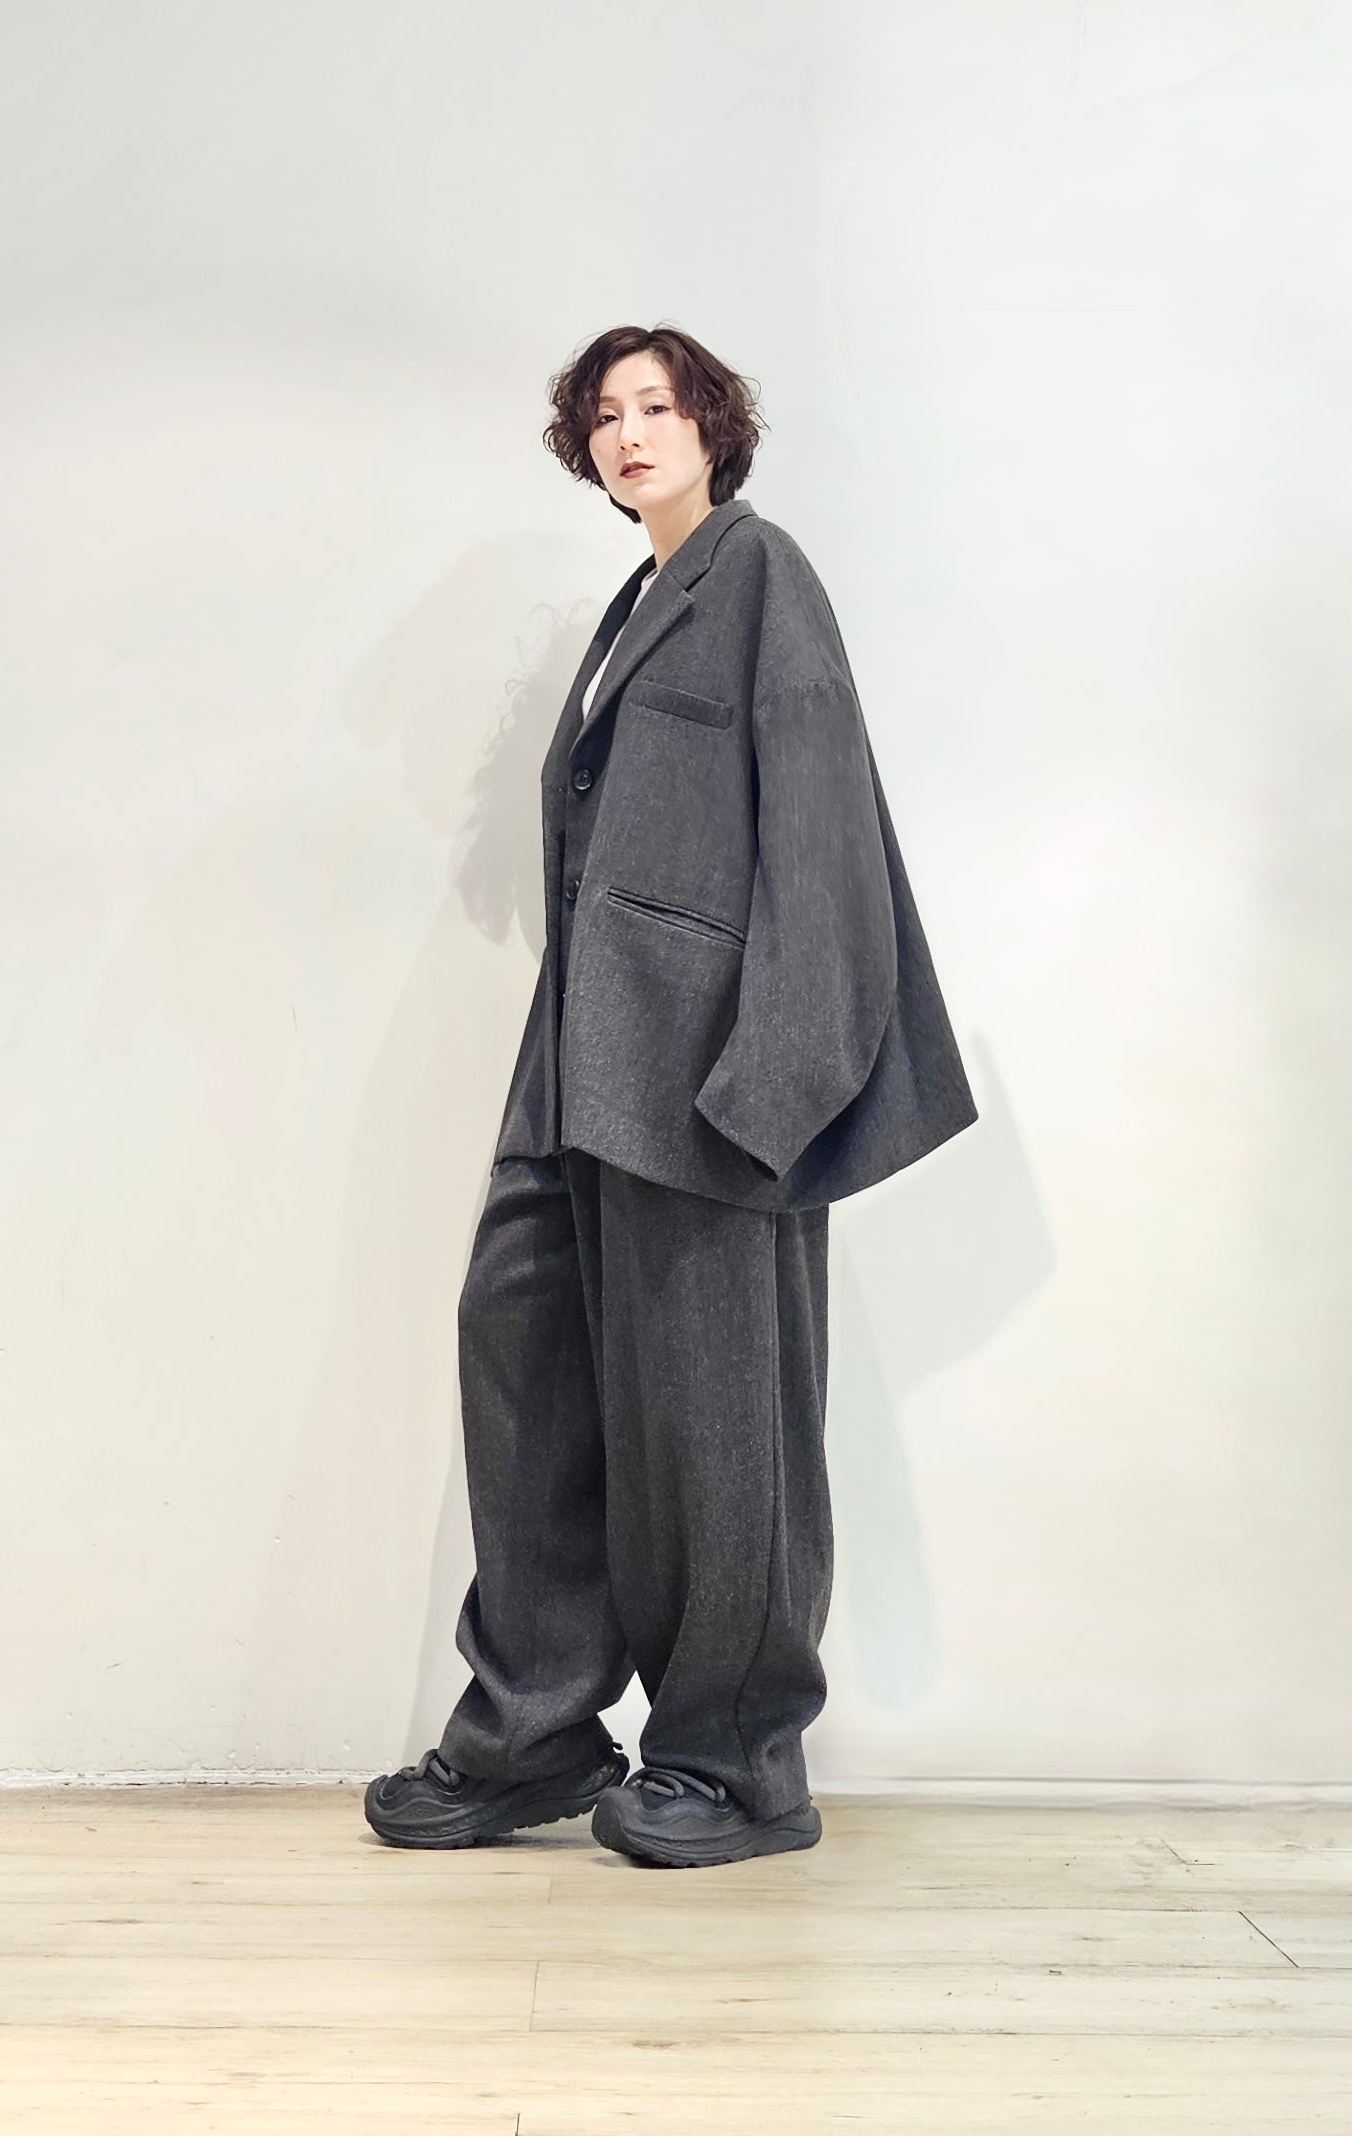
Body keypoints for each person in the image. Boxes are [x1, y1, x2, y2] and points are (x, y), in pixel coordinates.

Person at [365, 324, 976, 1867]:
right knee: (523, 1359)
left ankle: (735, 1760)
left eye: (656, 404)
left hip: (710, 1076)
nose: (629, 432)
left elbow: (825, 826)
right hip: (581, 1060)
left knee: (716, 1424)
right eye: (603, 414)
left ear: (712, 423)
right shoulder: (637, 604)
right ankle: (533, 1735)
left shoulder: (759, 576)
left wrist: (772, 1087)